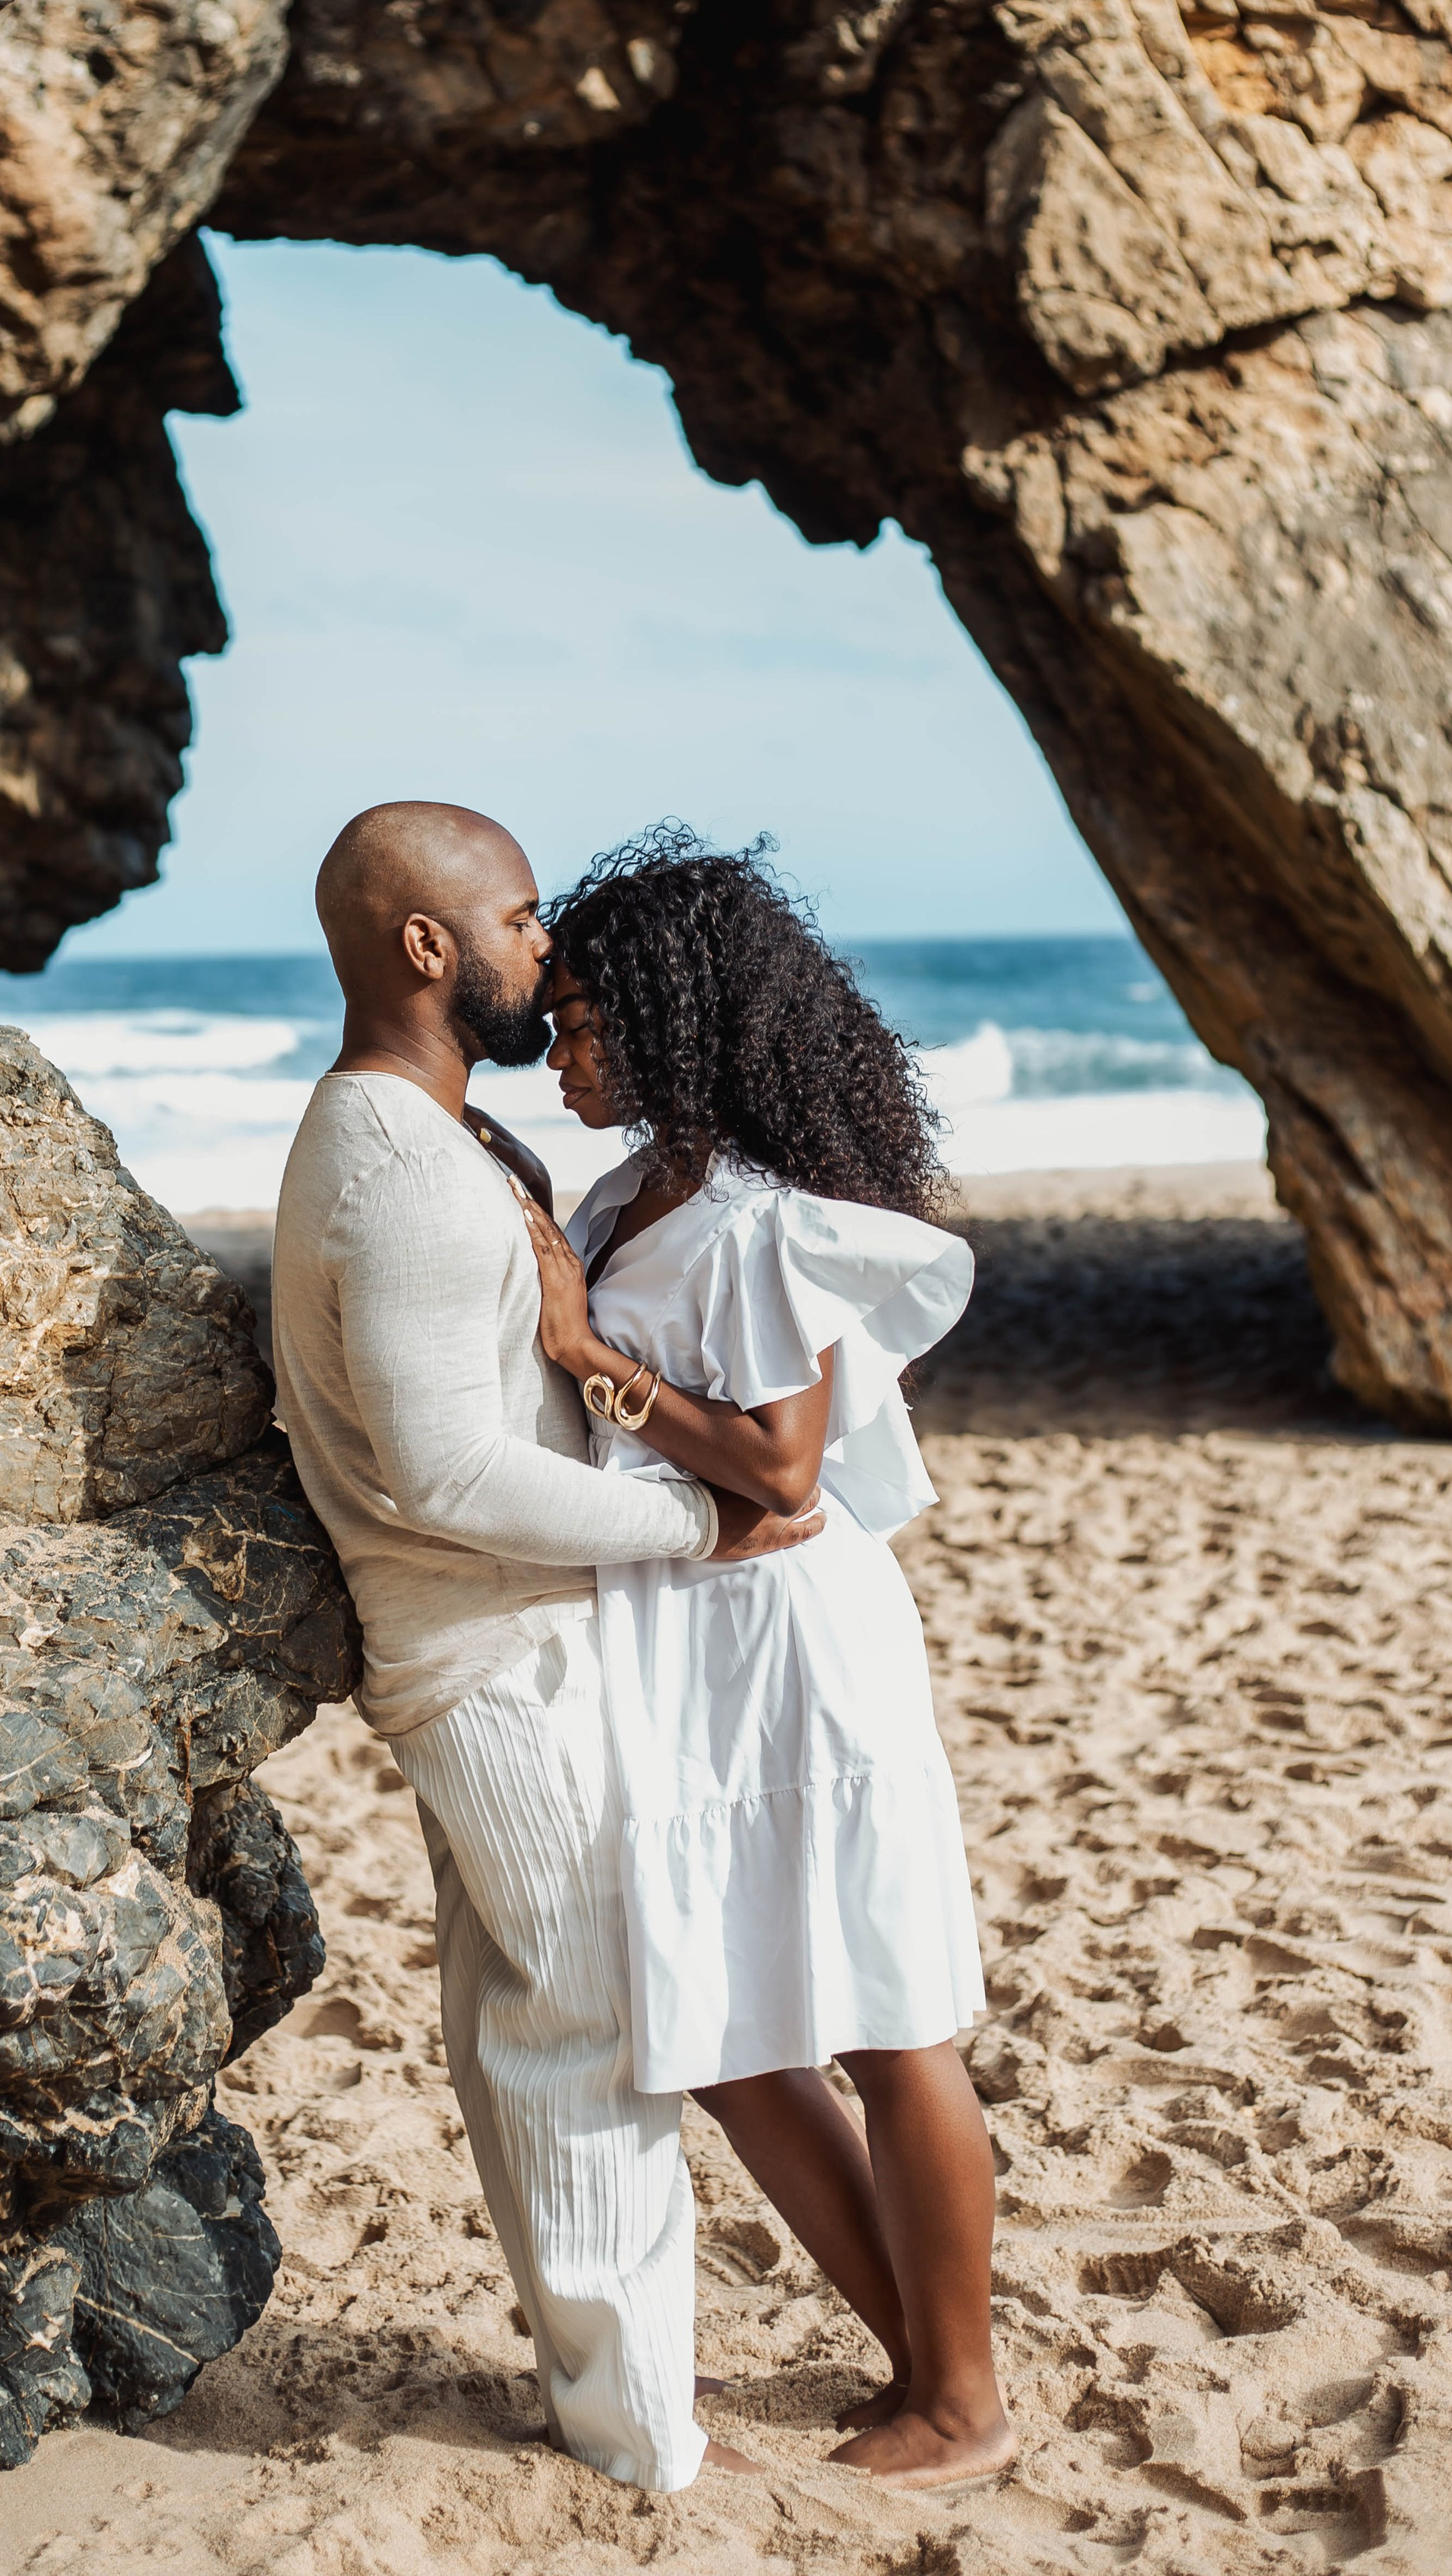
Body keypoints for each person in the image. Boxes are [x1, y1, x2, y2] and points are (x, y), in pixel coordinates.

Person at [271, 800, 825, 2495]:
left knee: (528, 2025)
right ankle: (640, 2437)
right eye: (517, 921)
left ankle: (603, 2396)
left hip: (484, 1650)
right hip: (485, 1662)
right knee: (585, 2028)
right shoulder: (399, 1162)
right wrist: (699, 1524)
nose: (543, 949)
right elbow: (443, 1470)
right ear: (424, 949)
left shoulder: (408, 1138)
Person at [507, 825, 1016, 2492]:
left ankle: (962, 2400)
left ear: (669, 1021)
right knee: (728, 2044)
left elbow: (781, 1467)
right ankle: (925, 2365)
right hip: (688, 1642)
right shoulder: (623, 1189)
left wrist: (588, 1357)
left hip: (789, 1639)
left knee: (886, 2024)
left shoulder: (739, 1217)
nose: (556, 1046)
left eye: (583, 1017)